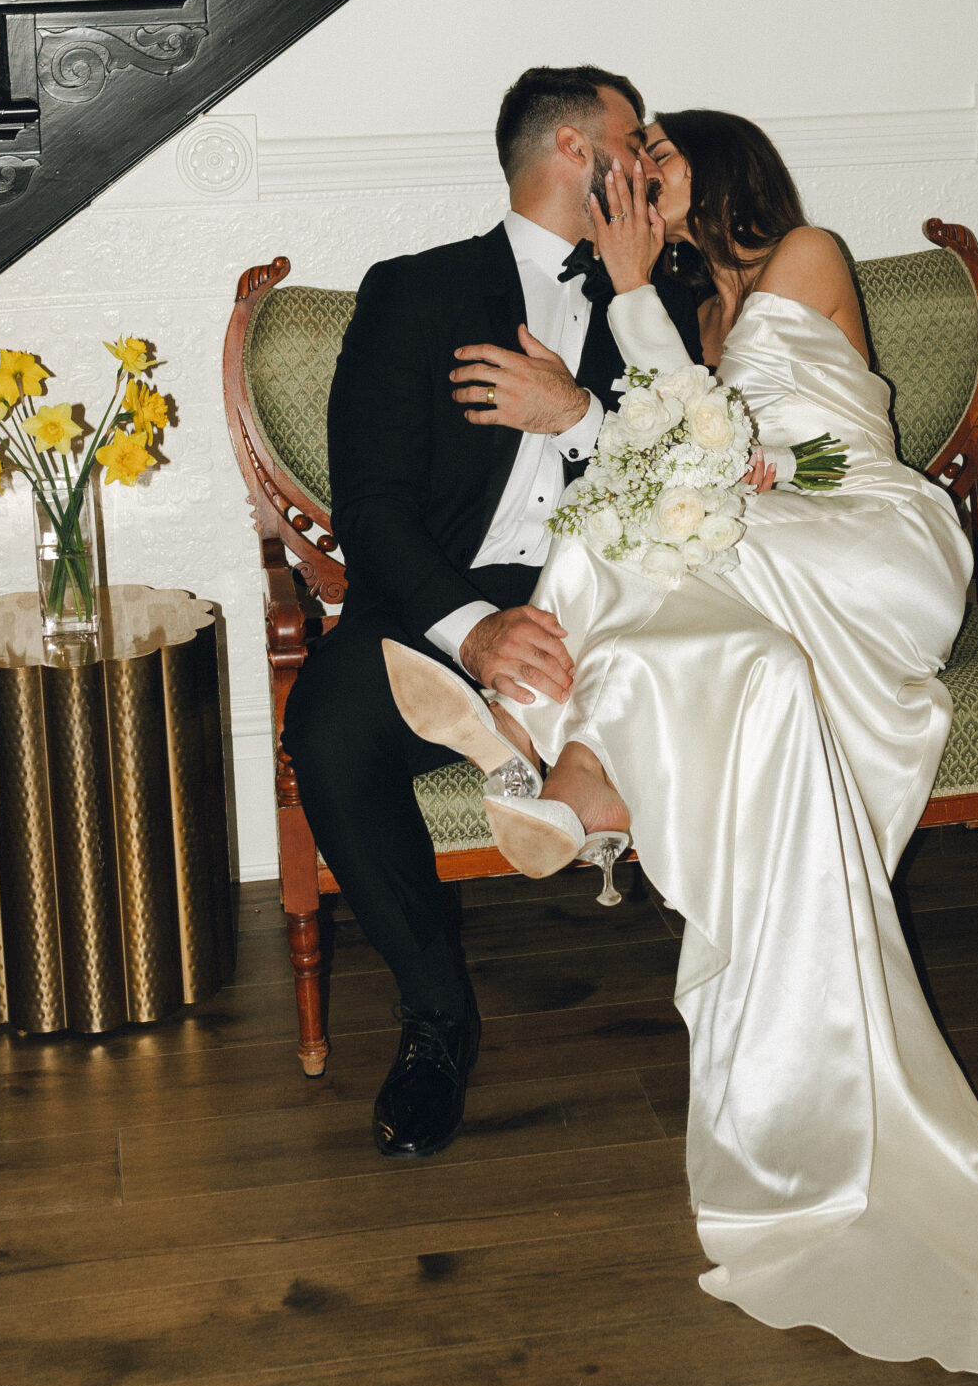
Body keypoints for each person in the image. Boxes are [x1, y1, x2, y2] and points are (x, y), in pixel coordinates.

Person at [386, 108, 978, 1377]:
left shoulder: (807, 255)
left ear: (723, 169)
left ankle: (563, 740)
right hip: (768, 539)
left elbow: (764, 448)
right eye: (630, 168)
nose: (637, 179)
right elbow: (687, 449)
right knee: (648, 557)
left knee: (634, 528)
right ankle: (591, 776)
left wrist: (634, 299)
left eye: (659, 160)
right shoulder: (693, 321)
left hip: (873, 541)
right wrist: (656, 357)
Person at [280, 65, 703, 1163]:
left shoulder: (666, 292)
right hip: (444, 602)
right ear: (575, 151)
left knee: (699, 677)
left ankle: (749, 1001)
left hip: (609, 594)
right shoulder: (414, 292)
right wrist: (469, 626)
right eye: (632, 136)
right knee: (327, 728)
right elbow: (366, 505)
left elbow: (696, 478)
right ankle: (435, 1021)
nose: (649, 154)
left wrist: (578, 408)